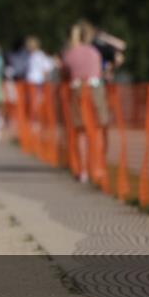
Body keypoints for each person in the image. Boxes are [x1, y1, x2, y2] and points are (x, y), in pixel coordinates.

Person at [61, 21, 109, 184]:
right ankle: (99, 168)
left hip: (77, 91)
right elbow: (101, 72)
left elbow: (64, 73)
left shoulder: (70, 53)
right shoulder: (95, 52)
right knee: (98, 129)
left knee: (80, 131)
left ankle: (83, 171)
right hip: (96, 90)